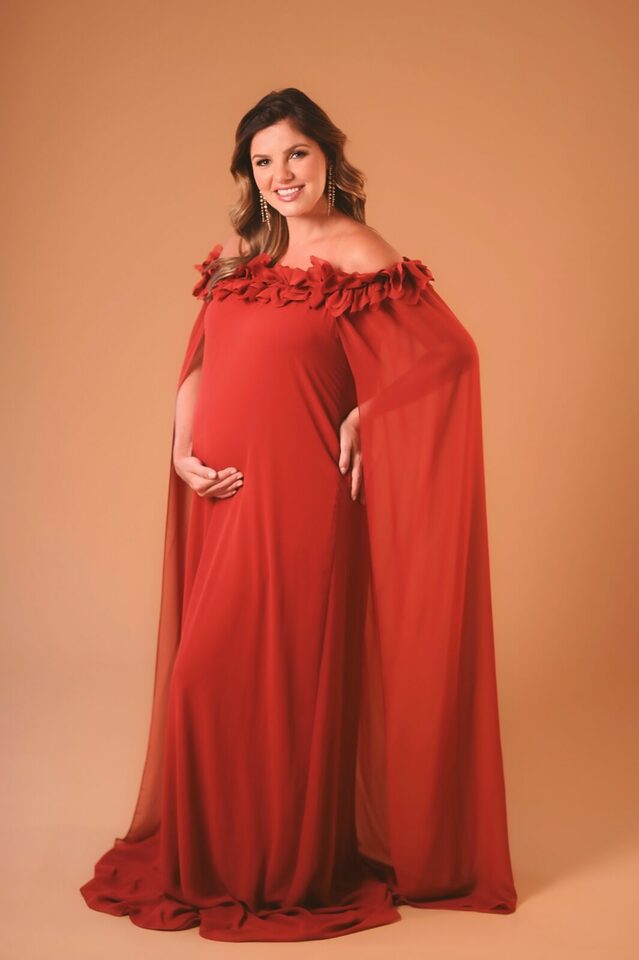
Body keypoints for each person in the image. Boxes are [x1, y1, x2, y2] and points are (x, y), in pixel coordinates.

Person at [79, 86, 518, 942]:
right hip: (224, 500)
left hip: (301, 502)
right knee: (207, 684)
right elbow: (201, 364)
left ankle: (281, 867)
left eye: (295, 154)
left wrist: (370, 414)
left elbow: (449, 356)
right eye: (262, 161)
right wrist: (180, 446)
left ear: (327, 158)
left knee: (283, 689)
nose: (280, 174)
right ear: (247, 174)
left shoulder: (358, 251)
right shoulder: (242, 257)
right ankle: (218, 857)